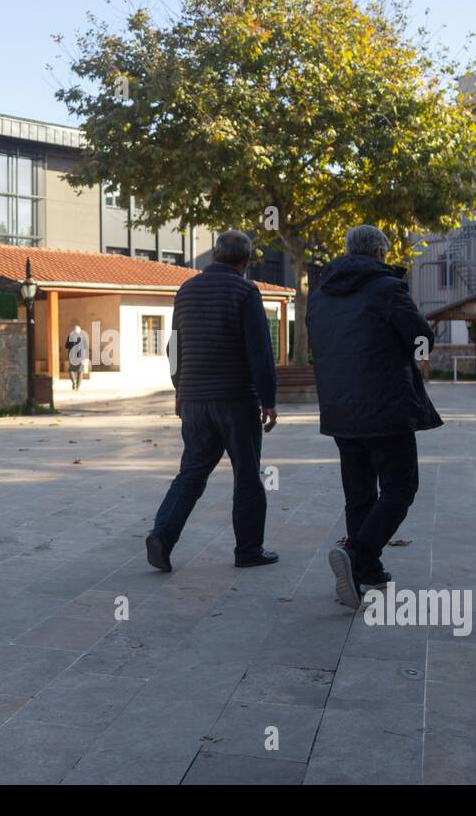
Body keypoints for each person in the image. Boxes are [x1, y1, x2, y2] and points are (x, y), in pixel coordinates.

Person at [308, 225, 442, 610]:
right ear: (380, 253)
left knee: (359, 493)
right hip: (385, 406)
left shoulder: (319, 295)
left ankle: (366, 570)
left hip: (339, 408)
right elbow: (421, 340)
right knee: (401, 488)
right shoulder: (386, 289)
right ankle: (357, 553)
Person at [147, 230, 280, 572]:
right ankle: (249, 550)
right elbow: (259, 352)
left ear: (215, 256)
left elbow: (173, 348)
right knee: (247, 475)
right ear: (245, 260)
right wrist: (268, 400)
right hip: (235, 398)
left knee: (191, 472)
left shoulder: (186, 290)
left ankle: (162, 535)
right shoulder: (246, 291)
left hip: (195, 400)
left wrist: (180, 388)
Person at [65, 321, 89, 391]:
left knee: (71, 370)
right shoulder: (83, 337)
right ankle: (78, 387)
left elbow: (66, 346)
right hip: (81, 357)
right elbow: (86, 347)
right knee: (80, 371)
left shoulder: (70, 336)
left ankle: (74, 381)